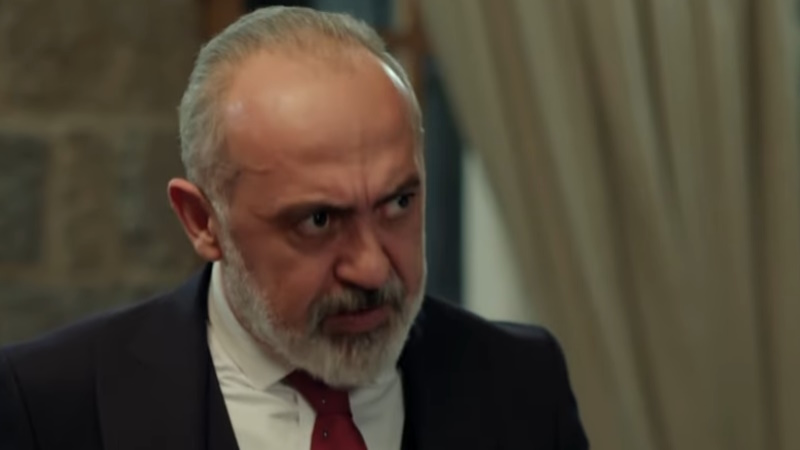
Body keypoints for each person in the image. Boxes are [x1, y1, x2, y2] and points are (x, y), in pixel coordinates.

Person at [0, 6, 588, 450]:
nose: (372, 268)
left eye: (398, 203)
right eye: (319, 220)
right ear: (203, 221)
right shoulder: (50, 403)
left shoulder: (519, 382)